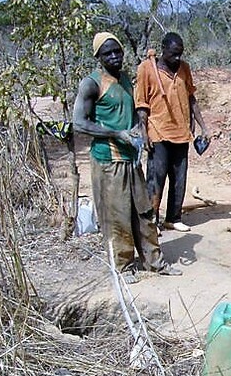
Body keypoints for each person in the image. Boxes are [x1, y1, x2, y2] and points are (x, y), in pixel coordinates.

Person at [72, 31, 182, 283]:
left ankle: (154, 261)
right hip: (108, 160)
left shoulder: (123, 80)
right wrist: (116, 134)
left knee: (143, 211)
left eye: (117, 51)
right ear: (98, 56)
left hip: (130, 159)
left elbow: (132, 115)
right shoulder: (91, 84)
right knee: (116, 215)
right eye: (107, 53)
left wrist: (139, 134)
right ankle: (121, 267)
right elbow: (79, 123)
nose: (113, 56)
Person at [135, 31, 209, 232]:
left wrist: (203, 125)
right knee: (156, 177)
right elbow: (141, 103)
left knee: (179, 177)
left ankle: (173, 217)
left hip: (181, 132)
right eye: (173, 54)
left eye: (180, 54)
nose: (177, 58)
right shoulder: (147, 69)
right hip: (158, 132)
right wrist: (144, 132)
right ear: (163, 50)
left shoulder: (184, 69)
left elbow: (191, 97)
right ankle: (152, 221)